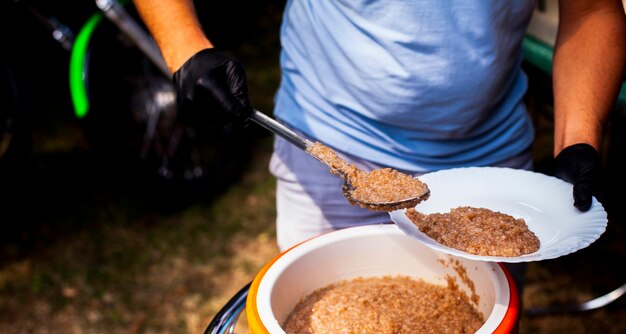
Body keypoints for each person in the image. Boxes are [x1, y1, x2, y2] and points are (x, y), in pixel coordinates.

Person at [132, 0, 625, 251]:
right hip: (330, 149)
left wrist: (578, 138)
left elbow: (592, 10)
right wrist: (187, 48)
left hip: (489, 163)